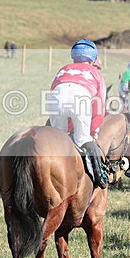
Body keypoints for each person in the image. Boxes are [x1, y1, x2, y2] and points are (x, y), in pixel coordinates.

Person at [47, 38, 108, 189]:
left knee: (58, 142)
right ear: (93, 58)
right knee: (83, 139)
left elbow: (55, 92)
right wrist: (93, 131)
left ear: (73, 56)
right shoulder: (96, 73)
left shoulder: (63, 69)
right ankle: (100, 177)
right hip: (80, 99)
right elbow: (99, 107)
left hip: (55, 98)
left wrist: (67, 127)